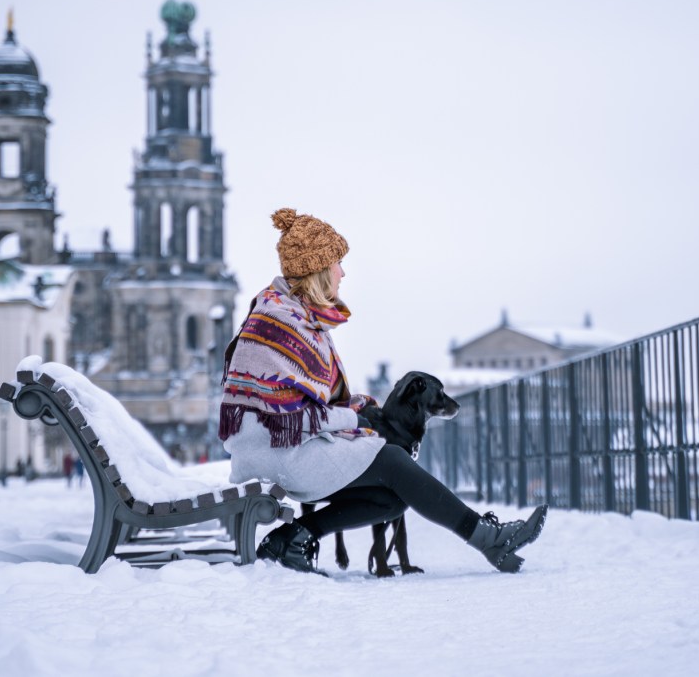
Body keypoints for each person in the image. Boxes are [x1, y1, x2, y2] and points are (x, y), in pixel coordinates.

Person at [219, 208, 546, 574]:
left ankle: (294, 537)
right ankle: (488, 537)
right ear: (317, 269)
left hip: (284, 445)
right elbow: (291, 415)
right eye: (338, 263)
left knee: (392, 496)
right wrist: (352, 416)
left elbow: (306, 403)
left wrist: (355, 408)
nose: (343, 273)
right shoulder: (280, 322)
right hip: (275, 451)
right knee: (391, 461)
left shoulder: (294, 316)